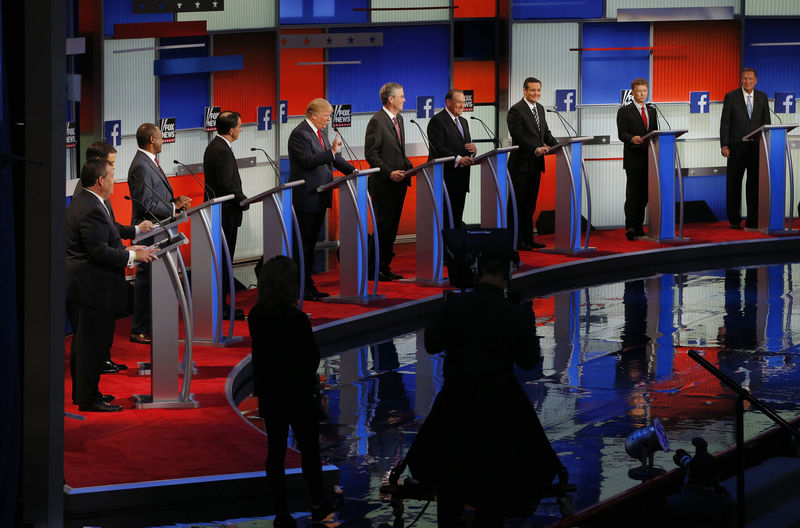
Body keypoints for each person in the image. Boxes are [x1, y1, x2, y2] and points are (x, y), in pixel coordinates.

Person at [407, 232, 565, 525]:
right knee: (495, 493)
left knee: (451, 489)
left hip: (455, 409)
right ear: (509, 272)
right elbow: (529, 361)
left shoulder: (454, 307)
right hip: (499, 412)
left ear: (476, 269)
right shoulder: (515, 315)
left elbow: (431, 344)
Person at [247, 256, 342, 527]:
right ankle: (317, 503)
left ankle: (281, 512)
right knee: (309, 449)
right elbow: (311, 357)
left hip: (271, 391)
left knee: (275, 451)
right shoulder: (297, 318)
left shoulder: (256, 315)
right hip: (298, 392)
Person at [66, 159, 157, 412]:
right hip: (90, 288)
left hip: (89, 286)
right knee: (89, 345)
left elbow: (104, 240)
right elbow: (97, 252)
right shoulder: (90, 207)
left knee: (91, 344)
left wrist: (128, 248)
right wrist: (132, 256)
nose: (116, 181)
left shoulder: (91, 202)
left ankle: (90, 393)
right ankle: (88, 399)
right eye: (112, 175)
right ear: (100, 180)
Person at [75, 141, 154, 372]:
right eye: (111, 166)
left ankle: (103, 358)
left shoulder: (98, 195)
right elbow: (97, 247)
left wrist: (138, 230)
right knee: (93, 332)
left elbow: (112, 227)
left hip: (108, 272)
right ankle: (97, 364)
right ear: (98, 167)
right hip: (95, 277)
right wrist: (129, 254)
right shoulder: (88, 196)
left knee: (104, 326)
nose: (114, 174)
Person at [128, 123, 192, 344]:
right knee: (145, 280)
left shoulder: (148, 162)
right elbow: (145, 203)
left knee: (152, 280)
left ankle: (152, 325)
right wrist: (173, 208)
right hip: (148, 231)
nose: (163, 140)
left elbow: (156, 197)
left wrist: (175, 203)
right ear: (151, 140)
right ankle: (139, 329)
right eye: (160, 137)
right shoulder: (141, 166)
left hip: (160, 227)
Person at [288, 98, 355, 301]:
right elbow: (308, 162)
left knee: (311, 244)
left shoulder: (320, 133)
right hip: (306, 198)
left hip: (320, 195)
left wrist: (354, 171)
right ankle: (301, 287)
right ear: (314, 115)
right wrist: (331, 152)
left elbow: (333, 158)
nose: (328, 120)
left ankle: (309, 285)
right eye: (326, 116)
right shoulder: (300, 134)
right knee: (304, 245)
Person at [365, 82, 413, 281]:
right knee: (383, 226)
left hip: (399, 182)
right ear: (390, 99)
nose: (404, 99)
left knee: (392, 228)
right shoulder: (377, 121)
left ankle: (384, 265)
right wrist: (389, 172)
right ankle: (373, 267)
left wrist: (409, 167)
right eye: (401, 96)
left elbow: (398, 151)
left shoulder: (399, 119)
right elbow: (371, 154)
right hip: (384, 183)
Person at [507, 77, 559, 250]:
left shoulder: (540, 109)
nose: (536, 93)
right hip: (520, 165)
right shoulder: (516, 110)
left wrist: (559, 146)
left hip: (535, 165)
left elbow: (546, 134)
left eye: (538, 90)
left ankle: (528, 239)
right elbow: (519, 137)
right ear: (524, 91)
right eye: (532, 90)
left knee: (530, 205)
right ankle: (515, 241)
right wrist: (535, 149)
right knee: (517, 205)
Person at [720, 68, 770, 229]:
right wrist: (724, 144)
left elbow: (766, 123)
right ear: (741, 80)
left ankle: (753, 219)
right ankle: (734, 219)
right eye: (744, 79)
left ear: (756, 81)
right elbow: (725, 122)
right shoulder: (731, 96)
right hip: (736, 148)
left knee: (754, 185)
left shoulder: (762, 97)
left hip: (756, 149)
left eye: (750, 79)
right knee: (734, 184)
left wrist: (766, 145)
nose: (747, 81)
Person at [427, 89, 477, 228]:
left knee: (457, 216)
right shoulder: (437, 121)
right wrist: (459, 159)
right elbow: (438, 148)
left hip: (462, 177)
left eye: (464, 102)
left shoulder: (464, 121)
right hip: (445, 178)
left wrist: (473, 151)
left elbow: (465, 146)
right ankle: (444, 248)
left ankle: (456, 246)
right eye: (459, 102)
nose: (462, 105)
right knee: (445, 219)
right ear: (448, 102)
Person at [617, 78, 658, 240]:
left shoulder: (652, 110)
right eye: (639, 91)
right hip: (634, 157)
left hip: (650, 158)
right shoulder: (624, 111)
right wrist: (631, 138)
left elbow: (655, 132)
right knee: (633, 193)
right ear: (633, 93)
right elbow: (622, 133)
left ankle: (639, 226)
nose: (642, 94)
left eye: (645, 91)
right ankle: (631, 227)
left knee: (646, 194)